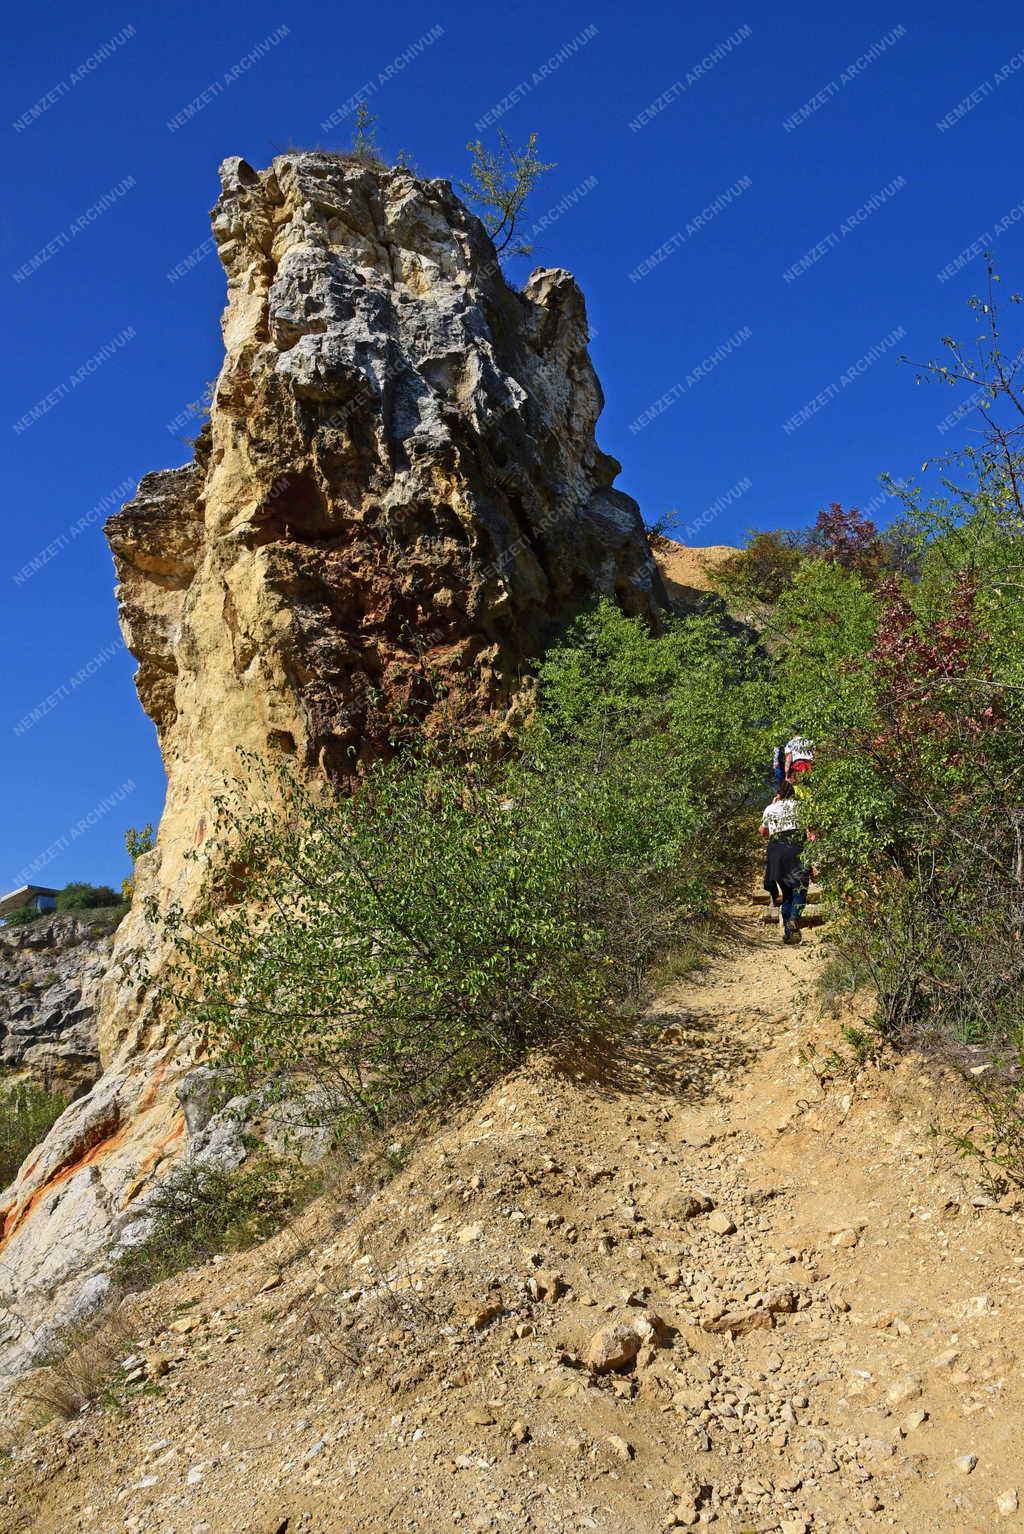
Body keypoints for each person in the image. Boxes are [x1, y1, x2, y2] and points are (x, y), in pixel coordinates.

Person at [759, 781, 810, 943]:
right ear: (793, 793)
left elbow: (763, 832)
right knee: (800, 889)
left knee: (787, 894)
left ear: (778, 794)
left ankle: (789, 934)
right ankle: (794, 918)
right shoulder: (799, 806)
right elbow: (811, 828)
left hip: (776, 852)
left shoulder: (770, 808)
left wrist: (773, 807)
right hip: (795, 850)